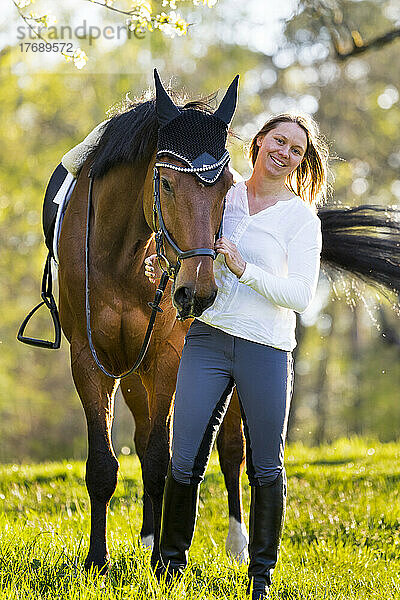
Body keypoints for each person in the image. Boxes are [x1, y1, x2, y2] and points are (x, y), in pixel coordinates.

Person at [144, 113, 328, 600]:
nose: (284, 152)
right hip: (207, 340)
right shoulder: (223, 195)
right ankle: (169, 569)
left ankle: (261, 578)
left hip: (265, 348)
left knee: (265, 465)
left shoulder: (301, 220)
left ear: (300, 162)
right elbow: (191, 240)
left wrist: (244, 269)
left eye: (295, 149)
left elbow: (301, 295)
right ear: (259, 142)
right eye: (278, 140)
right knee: (184, 460)